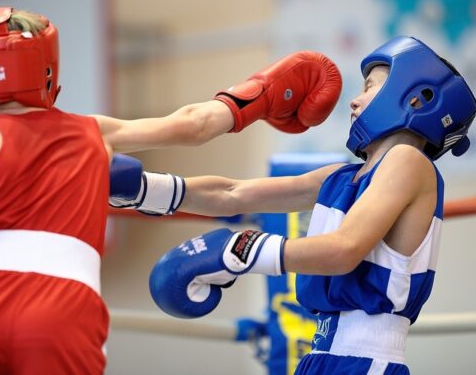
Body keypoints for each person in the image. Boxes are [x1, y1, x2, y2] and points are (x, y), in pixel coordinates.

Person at [0, 6, 341, 375]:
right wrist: (264, 92)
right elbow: (194, 125)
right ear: (45, 68)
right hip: (61, 308)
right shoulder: (92, 131)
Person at [109, 36, 476, 374]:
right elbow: (233, 193)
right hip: (321, 357)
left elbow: (344, 249)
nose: (354, 99)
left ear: (416, 98)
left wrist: (240, 250)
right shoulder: (343, 177)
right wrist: (144, 189)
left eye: (369, 88)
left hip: (366, 360)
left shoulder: (409, 162)